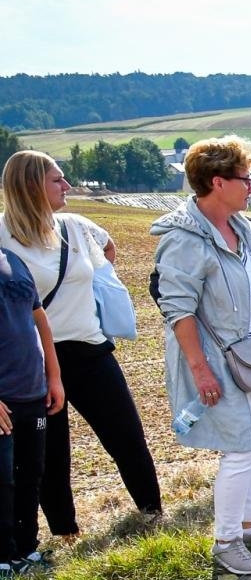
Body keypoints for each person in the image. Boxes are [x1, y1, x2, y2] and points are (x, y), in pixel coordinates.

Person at [153, 135, 251, 576]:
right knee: (239, 450)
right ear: (218, 182)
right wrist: (200, 371)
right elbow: (177, 310)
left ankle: (249, 524)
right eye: (246, 179)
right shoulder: (183, 241)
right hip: (217, 362)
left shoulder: (248, 232)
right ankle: (226, 542)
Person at [1, 151, 162, 545]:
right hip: (35, 362)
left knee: (126, 436)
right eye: (58, 180)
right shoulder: (2, 237)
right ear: (30, 185)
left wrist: (99, 284)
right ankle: (67, 533)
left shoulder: (73, 226)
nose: (67, 186)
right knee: (51, 457)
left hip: (90, 350)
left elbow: (108, 248)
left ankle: (153, 516)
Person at [0, 235, 65, 580]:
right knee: (2, 482)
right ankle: (3, 561)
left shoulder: (12, 260)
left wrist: (53, 377)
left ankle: (26, 550)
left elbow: (40, 320)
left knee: (31, 475)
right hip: (3, 400)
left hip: (33, 393)